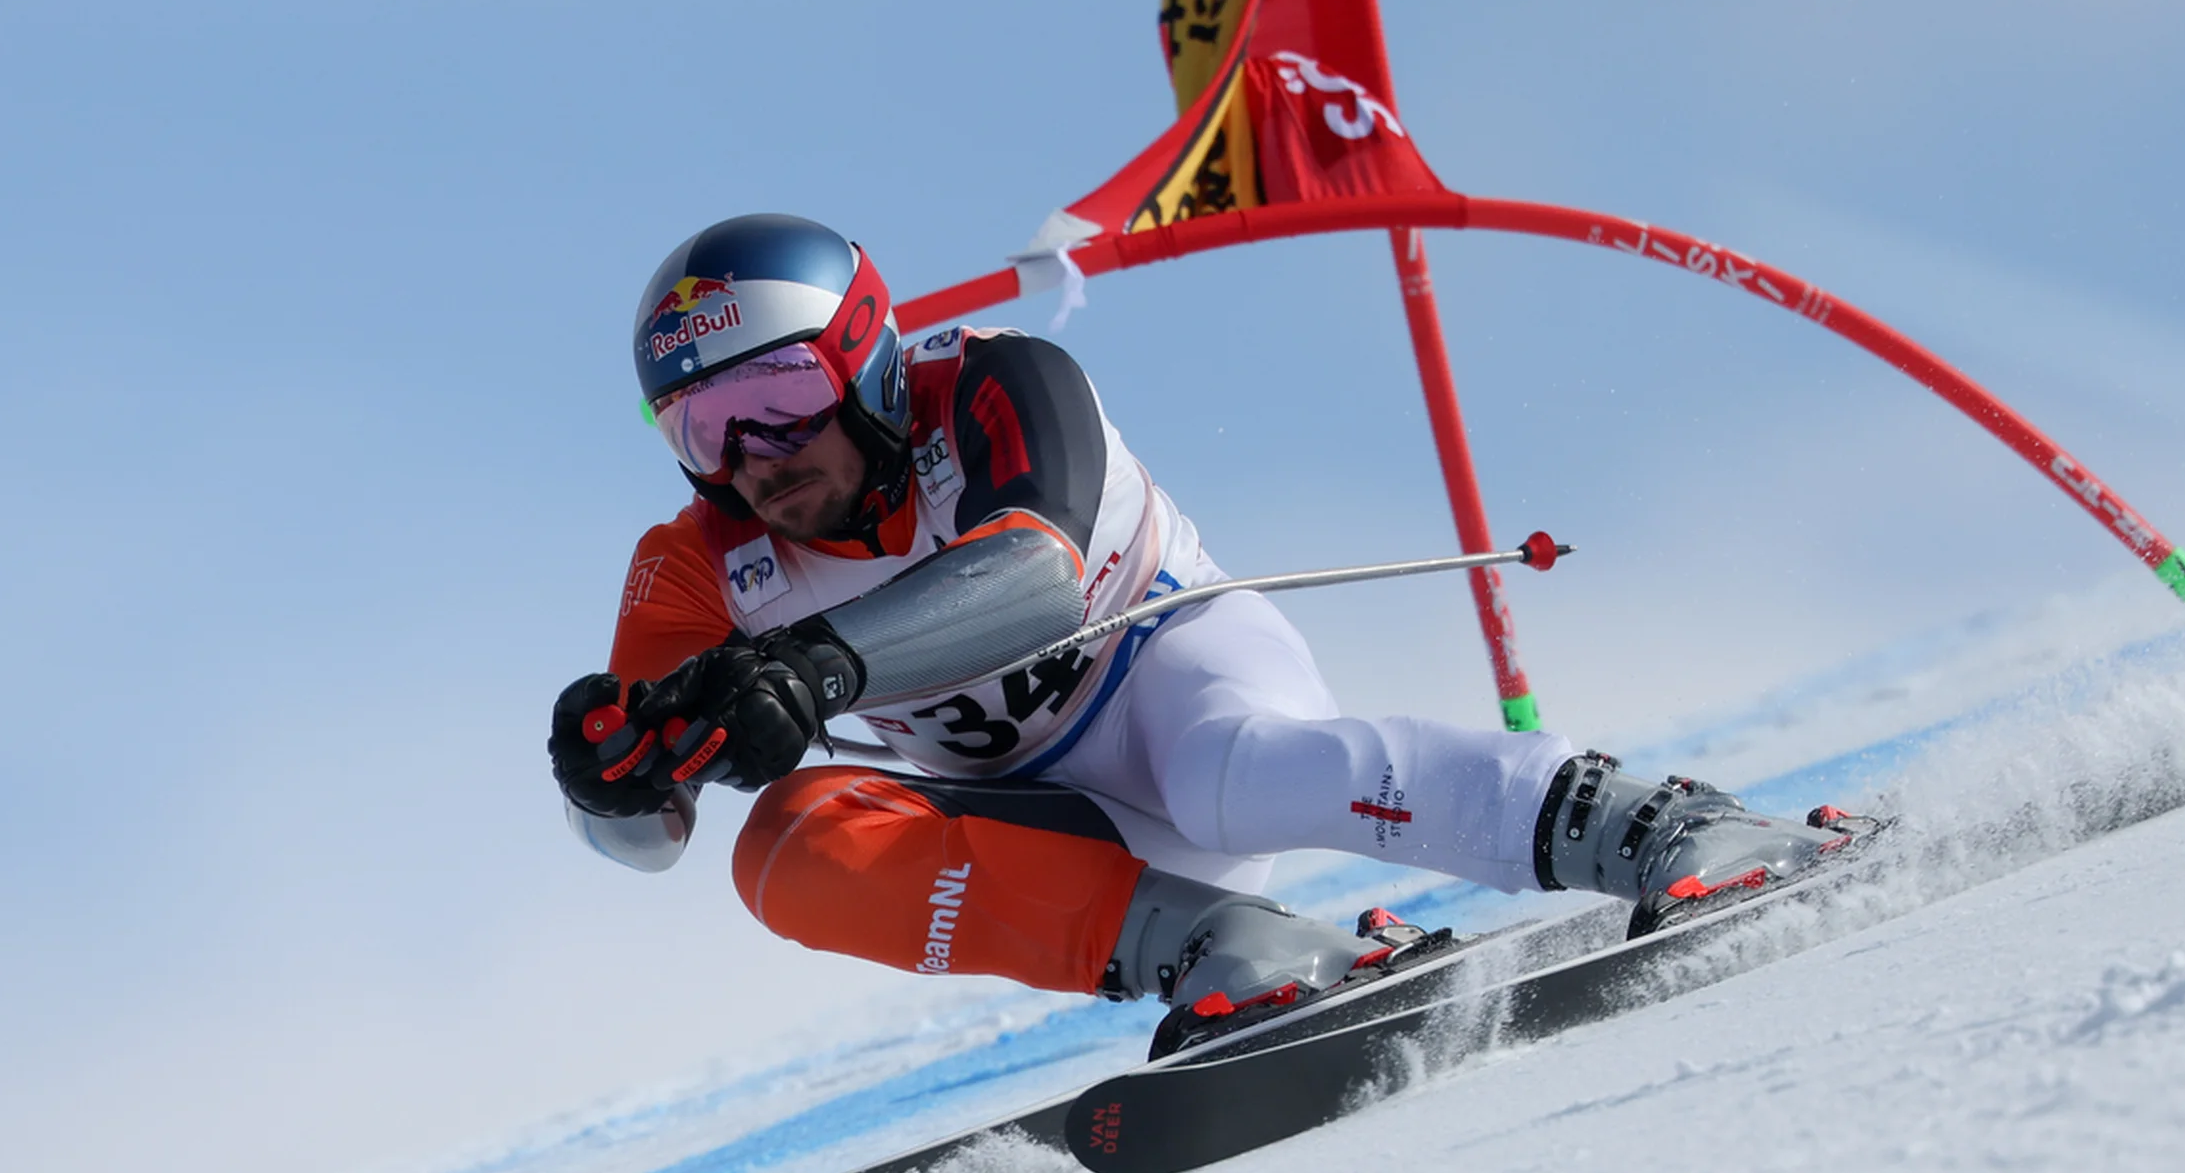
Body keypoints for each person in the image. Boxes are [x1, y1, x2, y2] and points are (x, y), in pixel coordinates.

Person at [550, 214, 1854, 1054]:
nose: (753, 457)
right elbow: (648, 838)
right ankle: (1230, 951)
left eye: (778, 395)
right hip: (1050, 823)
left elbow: (1037, 578)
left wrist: (815, 667)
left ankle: (1656, 826)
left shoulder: (999, 381)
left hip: (1167, 681)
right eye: (701, 431)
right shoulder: (699, 563)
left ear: (867, 360)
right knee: (782, 851)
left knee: (1235, 774)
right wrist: (611, 776)